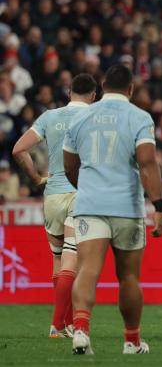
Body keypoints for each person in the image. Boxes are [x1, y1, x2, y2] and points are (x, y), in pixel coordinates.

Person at [62, 65, 162, 355]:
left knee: (87, 269)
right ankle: (132, 341)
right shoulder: (139, 117)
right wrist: (158, 206)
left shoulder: (81, 117)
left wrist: (86, 186)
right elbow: (147, 163)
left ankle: (80, 330)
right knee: (129, 277)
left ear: (103, 86)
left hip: (90, 205)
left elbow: (69, 165)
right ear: (131, 89)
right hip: (126, 208)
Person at [12, 73, 97, 338]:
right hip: (79, 195)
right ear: (94, 96)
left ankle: (65, 324)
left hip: (52, 196)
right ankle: (57, 324)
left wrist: (37, 178)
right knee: (74, 264)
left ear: (69, 92)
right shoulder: (95, 118)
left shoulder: (50, 117)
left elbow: (18, 149)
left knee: (59, 261)